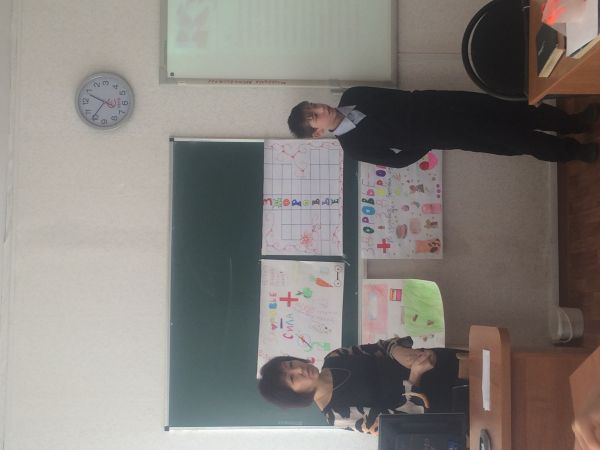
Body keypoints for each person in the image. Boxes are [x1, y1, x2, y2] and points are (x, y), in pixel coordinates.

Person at [287, 87, 600, 168]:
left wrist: (427, 102)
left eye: (314, 105)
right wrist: (427, 139)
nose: (321, 109)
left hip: (443, 103)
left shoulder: (353, 95)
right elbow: (397, 160)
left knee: (517, 111)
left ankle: (575, 122)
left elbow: (399, 96)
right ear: (317, 133)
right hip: (447, 133)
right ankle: (577, 152)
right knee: (516, 140)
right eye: (314, 116)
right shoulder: (353, 148)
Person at [257, 337, 466, 435]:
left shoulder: (334, 357)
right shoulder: (336, 415)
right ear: (294, 395)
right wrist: (415, 375)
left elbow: (380, 347)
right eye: (293, 378)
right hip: (445, 403)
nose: (299, 369)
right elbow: (400, 424)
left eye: (291, 364)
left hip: (438, 362)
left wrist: (398, 351)